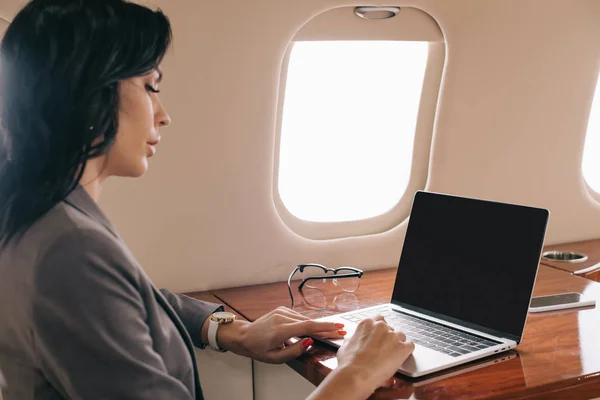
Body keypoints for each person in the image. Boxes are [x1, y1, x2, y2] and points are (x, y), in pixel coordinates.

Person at [0, 1, 415, 399]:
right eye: (149, 87)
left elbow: (129, 298)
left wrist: (229, 329)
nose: (162, 114)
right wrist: (355, 373)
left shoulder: (38, 210)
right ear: (91, 94)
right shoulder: (70, 249)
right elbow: (96, 292)